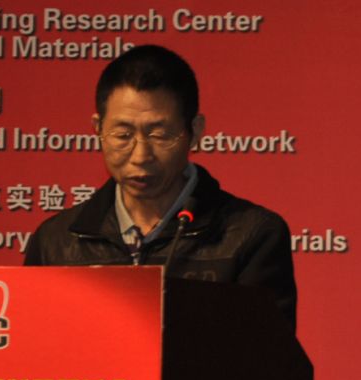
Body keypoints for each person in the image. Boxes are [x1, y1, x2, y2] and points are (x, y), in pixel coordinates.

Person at [24, 44, 296, 332]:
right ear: (98, 129)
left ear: (195, 131)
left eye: (160, 135)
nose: (141, 155)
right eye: (123, 135)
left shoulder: (251, 235)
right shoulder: (56, 242)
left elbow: (265, 356)